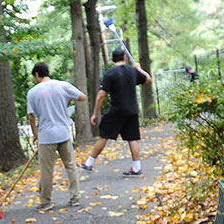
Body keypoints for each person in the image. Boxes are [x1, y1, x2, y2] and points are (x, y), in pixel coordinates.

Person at [78, 47, 152, 176]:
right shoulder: (133, 71)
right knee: (132, 138)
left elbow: (101, 94)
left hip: (117, 110)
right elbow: (148, 79)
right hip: (132, 110)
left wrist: (95, 113)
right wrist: (138, 68)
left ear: (113, 59)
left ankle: (89, 163)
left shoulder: (110, 73)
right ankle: (136, 168)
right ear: (124, 58)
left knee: (104, 135)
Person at [26, 62, 87, 211]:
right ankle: (75, 198)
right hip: (63, 133)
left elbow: (31, 117)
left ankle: (45, 201)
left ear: (36, 74)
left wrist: (35, 134)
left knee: (47, 170)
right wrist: (68, 100)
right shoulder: (62, 85)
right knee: (71, 166)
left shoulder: (33, 92)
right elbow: (82, 97)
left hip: (46, 136)